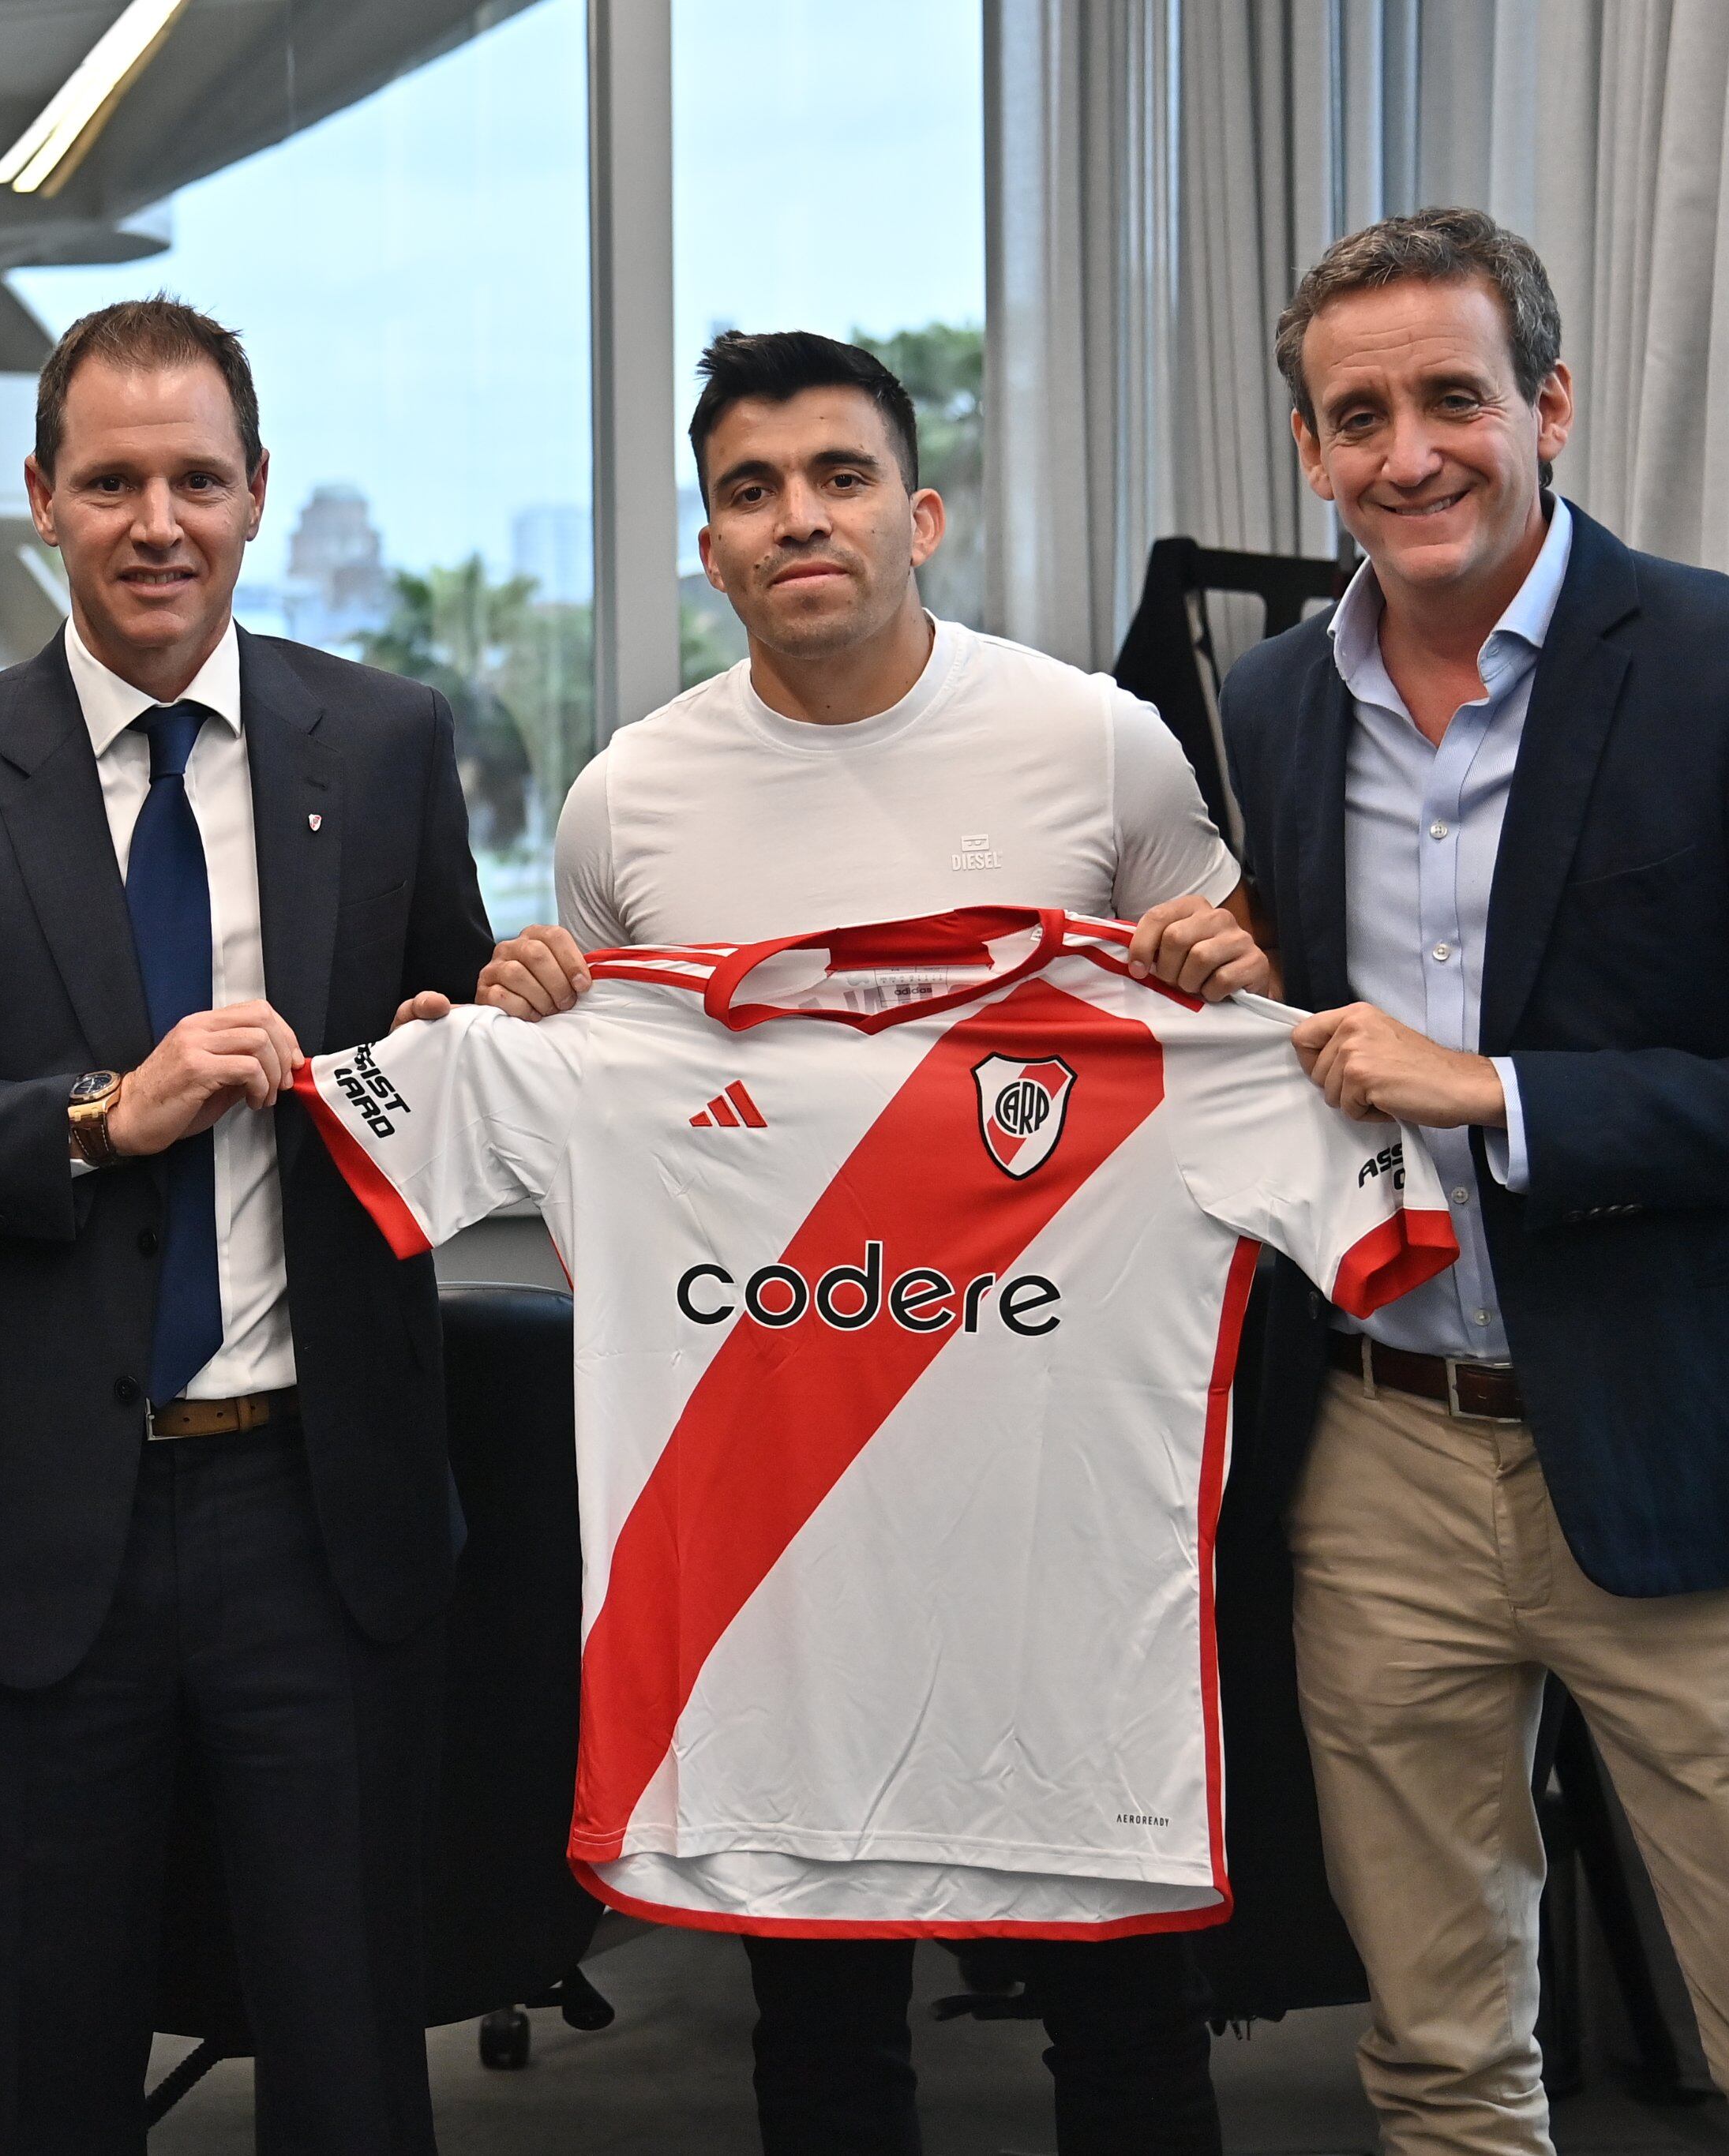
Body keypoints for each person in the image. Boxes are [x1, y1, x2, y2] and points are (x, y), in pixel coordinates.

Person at [476, 329, 1268, 2154]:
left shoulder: (1094, 742)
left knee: (1122, 2010)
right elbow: (603, 1060)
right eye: (747, 491)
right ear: (709, 547)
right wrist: (530, 1000)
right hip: (782, 1523)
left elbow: (1238, 1027)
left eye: (835, 476)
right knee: (819, 2020)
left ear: (918, 513)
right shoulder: (628, 799)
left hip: (1055, 1505)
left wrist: (1232, 967)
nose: (794, 517)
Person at [1222, 206, 1729, 2152]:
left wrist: (1499, 1095)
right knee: (1440, 2058)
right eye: (1354, 414)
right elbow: (1300, 1042)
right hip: (1375, 1452)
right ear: (1307, 451)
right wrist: (1224, 967)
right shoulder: (1272, 705)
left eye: (1450, 395)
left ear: (1543, 404)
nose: (1407, 451)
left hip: (1689, 1445)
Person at [0, 298, 491, 2154]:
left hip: (319, 1520)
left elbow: (456, 1053)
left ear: (253, 495)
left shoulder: (388, 744)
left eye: (193, 478)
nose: (153, 519)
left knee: (349, 2067)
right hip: (38, 1539)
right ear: (39, 499)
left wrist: (461, 1045)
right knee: (59, 2072)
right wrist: (103, 1116)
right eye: (110, 481)